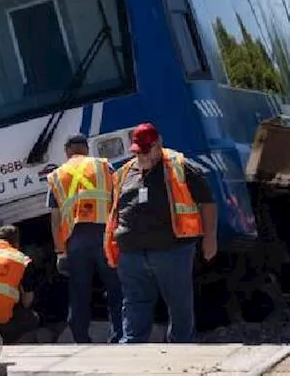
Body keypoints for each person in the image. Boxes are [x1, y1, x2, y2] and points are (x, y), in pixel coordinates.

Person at [103, 123, 217, 344]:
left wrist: (210, 239)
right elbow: (114, 210)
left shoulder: (180, 167)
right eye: (137, 151)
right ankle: (133, 348)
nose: (141, 156)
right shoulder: (124, 173)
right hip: (132, 253)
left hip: (172, 250)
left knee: (178, 301)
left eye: (146, 150)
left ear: (158, 145)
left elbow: (207, 203)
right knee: (135, 302)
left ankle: (180, 347)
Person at [47, 134, 122, 343]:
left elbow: (55, 219)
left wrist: (60, 251)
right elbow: (119, 202)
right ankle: (119, 335)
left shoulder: (57, 175)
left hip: (75, 241)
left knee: (79, 292)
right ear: (87, 149)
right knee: (116, 288)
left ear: (66, 151)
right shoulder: (104, 167)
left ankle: (81, 337)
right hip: (104, 237)